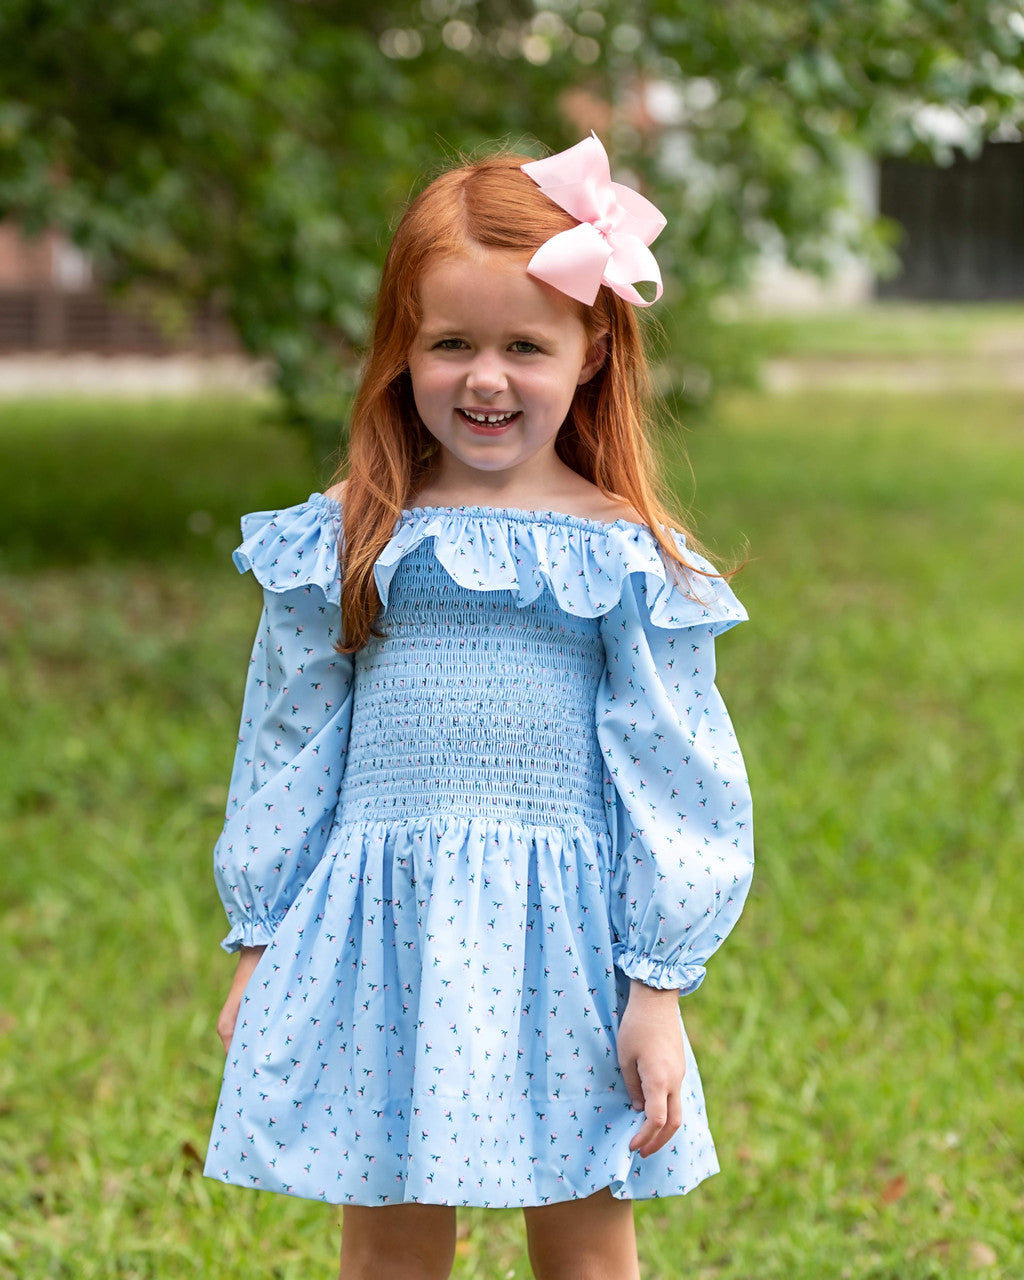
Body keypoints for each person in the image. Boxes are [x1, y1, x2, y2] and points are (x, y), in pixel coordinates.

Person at [204, 132, 754, 1280]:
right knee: (388, 1240)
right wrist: (261, 934)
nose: (486, 378)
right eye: (450, 343)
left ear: (592, 351)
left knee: (587, 1243)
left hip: (571, 936)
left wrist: (656, 984)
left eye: (523, 345)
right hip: (382, 928)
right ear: (402, 350)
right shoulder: (349, 532)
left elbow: (673, 763)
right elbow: (290, 737)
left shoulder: (624, 554)